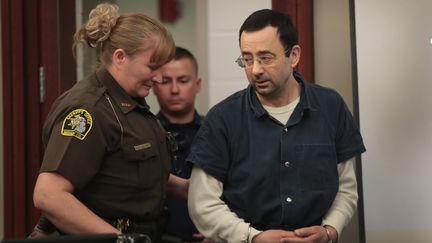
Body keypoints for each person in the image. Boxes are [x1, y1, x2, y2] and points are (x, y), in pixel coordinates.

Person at [187, 9, 366, 243]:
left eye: (265, 58)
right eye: (247, 59)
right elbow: (202, 202)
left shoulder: (330, 107)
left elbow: (347, 187)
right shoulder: (222, 118)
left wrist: (330, 230)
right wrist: (251, 237)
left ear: (293, 56)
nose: (255, 70)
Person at [32, 3, 187, 242]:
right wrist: (119, 239)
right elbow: (48, 196)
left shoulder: (129, 101)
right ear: (120, 57)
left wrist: (190, 189)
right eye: (152, 67)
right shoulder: (88, 110)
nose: (158, 78)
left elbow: (127, 175)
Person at [152, 46, 205, 242]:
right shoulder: (140, 135)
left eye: (183, 81)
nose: (174, 90)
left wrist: (222, 230)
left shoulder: (217, 133)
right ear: (154, 84)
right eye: (166, 81)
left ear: (197, 84)